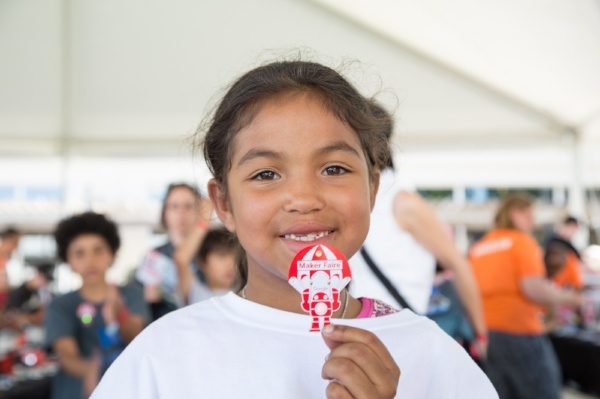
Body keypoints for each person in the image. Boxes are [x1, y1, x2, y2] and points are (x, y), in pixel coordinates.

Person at [92, 59, 497, 398]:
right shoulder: (164, 355)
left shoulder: (433, 355)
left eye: (334, 168)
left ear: (373, 188)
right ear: (224, 204)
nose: (303, 197)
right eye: (266, 173)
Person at [348, 104, 487, 349]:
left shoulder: (401, 201)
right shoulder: (350, 199)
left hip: (398, 338)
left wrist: (481, 335)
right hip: (356, 335)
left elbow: (458, 264)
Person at [469, 193, 583, 399]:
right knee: (543, 390)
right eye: (529, 216)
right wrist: (569, 298)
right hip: (520, 330)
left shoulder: (479, 247)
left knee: (501, 391)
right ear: (515, 214)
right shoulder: (521, 242)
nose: (534, 222)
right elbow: (532, 289)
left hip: (488, 332)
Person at [45, 212, 150, 399]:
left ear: (111, 254)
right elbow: (67, 356)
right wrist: (92, 370)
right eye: (79, 253)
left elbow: (137, 338)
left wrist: (120, 314)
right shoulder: (60, 305)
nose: (90, 260)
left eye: (98, 250)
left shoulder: (131, 294)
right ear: (68, 260)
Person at [135, 183, 211, 320]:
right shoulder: (154, 256)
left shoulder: (214, 252)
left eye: (188, 206)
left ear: (201, 211)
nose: (181, 213)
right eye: (174, 206)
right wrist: (145, 297)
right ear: (164, 213)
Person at [173, 223, 237, 304]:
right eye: (222, 256)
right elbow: (181, 259)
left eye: (235, 257)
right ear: (202, 261)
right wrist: (204, 220)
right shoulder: (195, 293)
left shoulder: (246, 293)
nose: (231, 264)